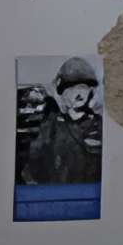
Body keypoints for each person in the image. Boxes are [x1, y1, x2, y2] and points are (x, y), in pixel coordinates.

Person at [21, 58, 102, 186]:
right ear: (61, 90)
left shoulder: (99, 125)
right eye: (72, 87)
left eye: (85, 87)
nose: (79, 92)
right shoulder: (50, 125)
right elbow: (33, 167)